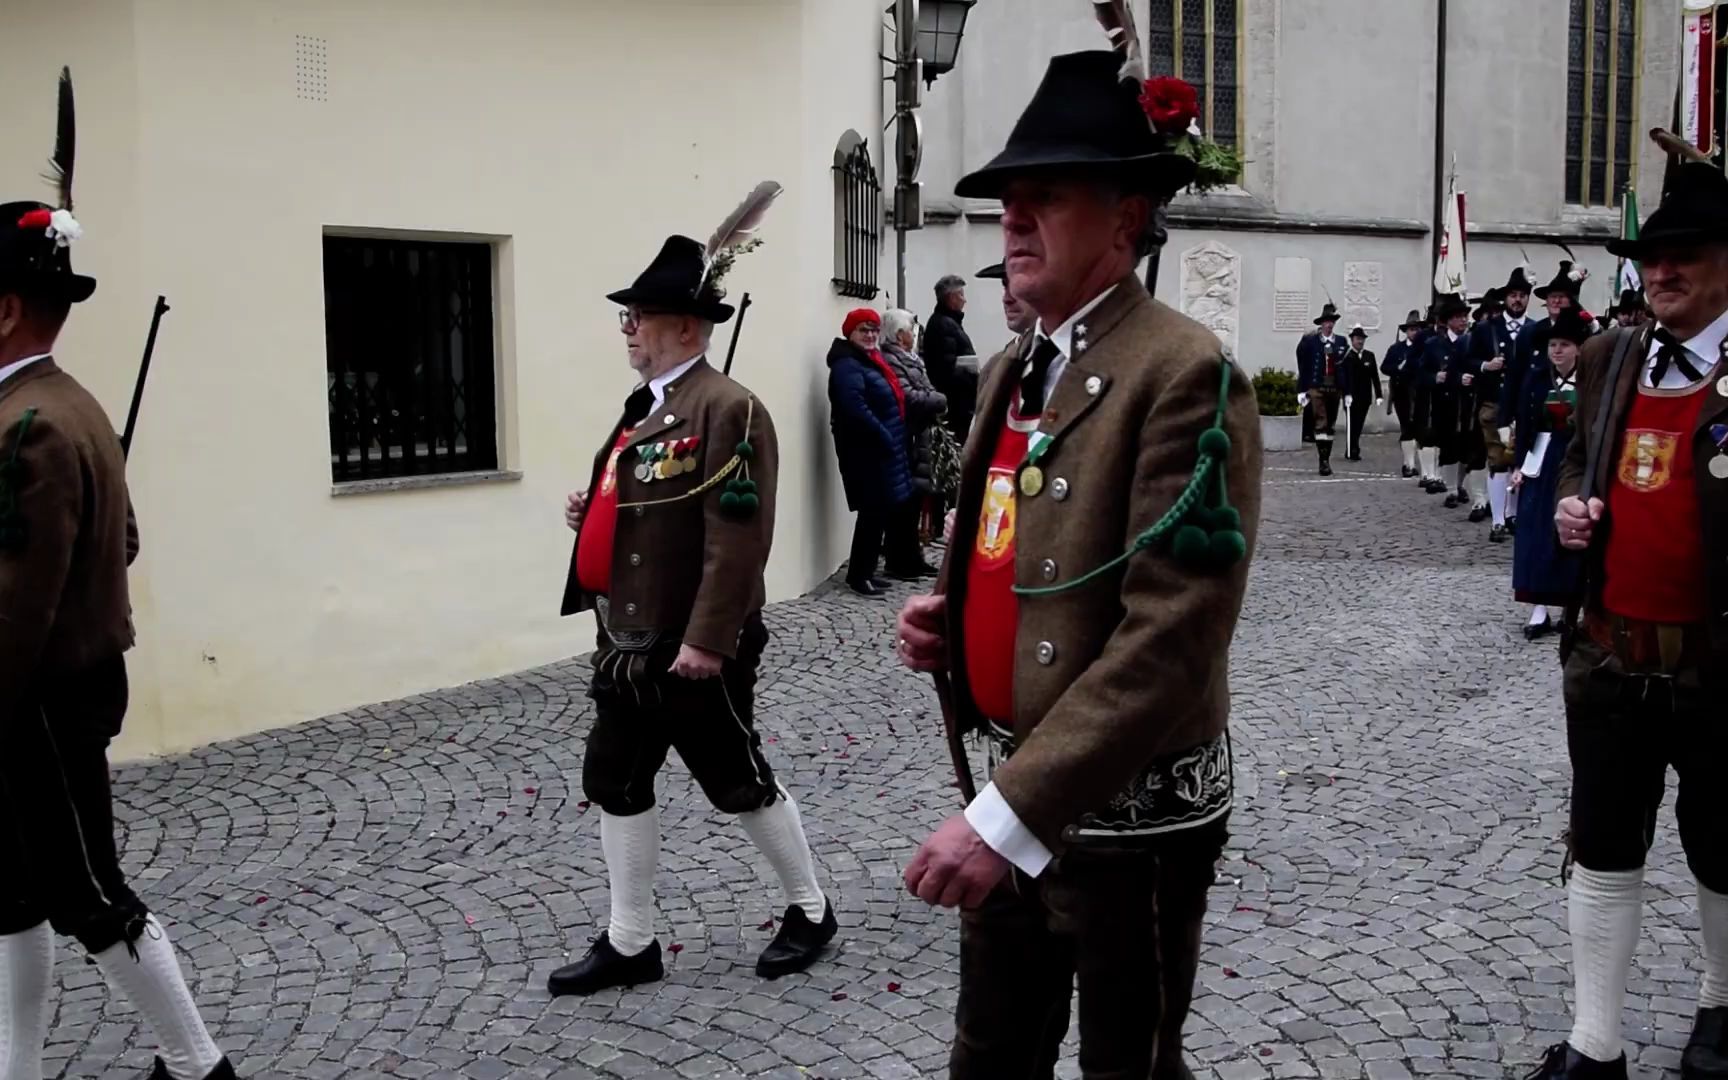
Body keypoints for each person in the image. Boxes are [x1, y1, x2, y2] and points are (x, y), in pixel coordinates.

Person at [896, 49, 1261, 1079]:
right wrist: (953, 614)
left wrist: (1002, 815)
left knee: (1127, 1068)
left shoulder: (1186, 370)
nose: (1012, 221)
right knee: (991, 1056)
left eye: (1044, 198)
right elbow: (1020, 540)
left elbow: (1171, 638)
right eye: (1009, 199)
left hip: (1129, 825)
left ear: (1126, 216)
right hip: (1016, 788)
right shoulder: (1016, 365)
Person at [0, 70, 241, 1080]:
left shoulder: (31, 424)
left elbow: (15, 604)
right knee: (11, 894)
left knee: (90, 892)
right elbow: (124, 540)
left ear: (8, 308)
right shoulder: (76, 404)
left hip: (36, 701)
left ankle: (198, 1067)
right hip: (67, 686)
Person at [552, 229, 837, 998]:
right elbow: (648, 504)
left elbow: (738, 537)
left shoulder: (728, 408)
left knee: (735, 779)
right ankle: (631, 940)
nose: (628, 330)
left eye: (639, 316)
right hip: (626, 638)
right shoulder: (645, 405)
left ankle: (810, 910)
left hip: (689, 643)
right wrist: (595, 509)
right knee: (615, 778)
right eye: (628, 317)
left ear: (686, 326)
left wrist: (710, 641)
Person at [1533, 149, 1728, 1080]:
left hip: (1718, 663)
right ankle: (1595, 1044)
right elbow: (1582, 460)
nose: (1663, 270)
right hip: (1609, 656)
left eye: (1686, 252)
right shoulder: (1612, 356)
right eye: (1653, 254)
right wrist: (1573, 502)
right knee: (1604, 841)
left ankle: (1723, 1009)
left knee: (1725, 845)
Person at [1508, 308, 1589, 638]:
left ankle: (1573, 606)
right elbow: (1526, 424)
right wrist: (1518, 465)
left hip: (1576, 459)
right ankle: (1538, 608)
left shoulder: (1589, 381)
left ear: (1578, 349)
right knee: (1536, 531)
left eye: (1564, 345)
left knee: (1573, 532)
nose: (1557, 351)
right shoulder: (1538, 378)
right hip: (1540, 460)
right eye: (1553, 345)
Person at [827, 308, 916, 596]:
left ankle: (865, 571)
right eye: (863, 330)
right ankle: (858, 576)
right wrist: (884, 433)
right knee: (871, 513)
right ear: (850, 333)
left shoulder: (868, 360)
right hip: (866, 451)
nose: (870, 336)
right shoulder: (847, 366)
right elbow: (854, 407)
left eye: (874, 330)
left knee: (878, 513)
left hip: (880, 449)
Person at [880, 307, 947, 578]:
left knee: (916, 499)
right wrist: (939, 400)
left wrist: (932, 396)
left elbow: (925, 388)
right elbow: (910, 395)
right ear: (899, 335)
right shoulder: (893, 360)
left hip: (919, 435)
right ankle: (900, 560)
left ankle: (914, 557)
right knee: (903, 504)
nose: (913, 334)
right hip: (907, 436)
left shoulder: (910, 358)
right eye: (909, 330)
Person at [1470, 269, 1536, 539]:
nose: (1517, 300)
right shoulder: (1487, 329)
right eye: (1513, 296)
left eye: (1522, 296)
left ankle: (1513, 515)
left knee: (1518, 461)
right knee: (1497, 460)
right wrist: (1486, 365)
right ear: (1505, 299)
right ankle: (1497, 519)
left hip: (1525, 406)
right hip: (1495, 404)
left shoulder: (1534, 329)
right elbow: (1469, 360)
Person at [1417, 295, 1470, 495]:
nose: (1463, 321)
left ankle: (1461, 484)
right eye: (1458, 317)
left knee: (1465, 446)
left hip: (1466, 402)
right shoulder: (1434, 344)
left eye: (1465, 316)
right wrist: (1434, 377)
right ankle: (1450, 490)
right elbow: (1421, 373)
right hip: (1444, 402)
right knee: (1447, 446)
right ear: (1448, 321)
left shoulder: (1471, 342)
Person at [1298, 302, 1349, 475]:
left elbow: (1345, 368)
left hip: (1334, 388)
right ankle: (1323, 461)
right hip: (1316, 387)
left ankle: (1326, 455)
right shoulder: (1311, 342)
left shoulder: (1341, 342)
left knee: (1330, 425)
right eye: (1326, 321)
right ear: (1321, 323)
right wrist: (1301, 390)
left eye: (1331, 321)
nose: (1329, 324)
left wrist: (1347, 392)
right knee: (1321, 422)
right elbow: (1304, 366)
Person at [926, 274, 979, 441]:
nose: (965, 300)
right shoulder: (944, 325)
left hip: (958, 404)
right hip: (956, 406)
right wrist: (971, 375)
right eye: (961, 294)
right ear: (951, 298)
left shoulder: (948, 323)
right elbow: (944, 370)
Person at [1382, 310, 1426, 477]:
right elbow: (1385, 367)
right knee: (1406, 427)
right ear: (1406, 331)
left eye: (1417, 329)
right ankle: (1409, 464)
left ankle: (1425, 467)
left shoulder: (1426, 347)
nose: (1414, 332)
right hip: (1402, 393)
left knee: (1421, 429)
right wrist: (1397, 368)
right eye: (1411, 329)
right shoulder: (1396, 349)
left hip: (1421, 392)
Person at [1343, 325, 1382, 462]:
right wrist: (1346, 393)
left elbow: (1375, 377)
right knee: (1352, 424)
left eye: (1362, 339)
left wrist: (1379, 395)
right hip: (1351, 397)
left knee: (1359, 424)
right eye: (1357, 339)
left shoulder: (1369, 356)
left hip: (1364, 397)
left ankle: (1353, 446)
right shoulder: (1347, 356)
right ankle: (1352, 448)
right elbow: (1344, 377)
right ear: (1352, 340)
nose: (1360, 341)